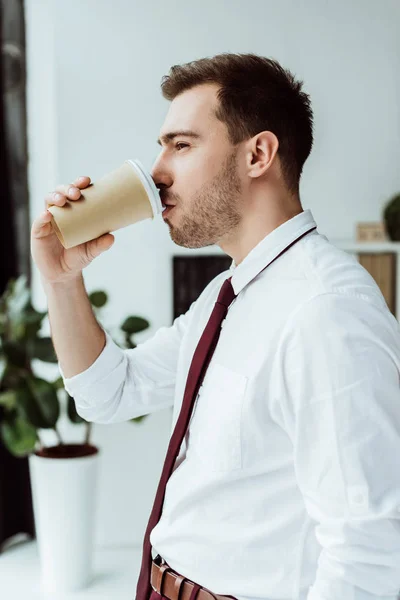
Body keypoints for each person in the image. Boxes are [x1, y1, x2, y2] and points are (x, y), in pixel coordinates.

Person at [30, 53, 400, 600]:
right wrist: (62, 281)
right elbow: (110, 393)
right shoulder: (224, 296)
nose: (156, 171)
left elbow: (371, 553)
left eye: (181, 145)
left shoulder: (327, 311)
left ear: (258, 154)